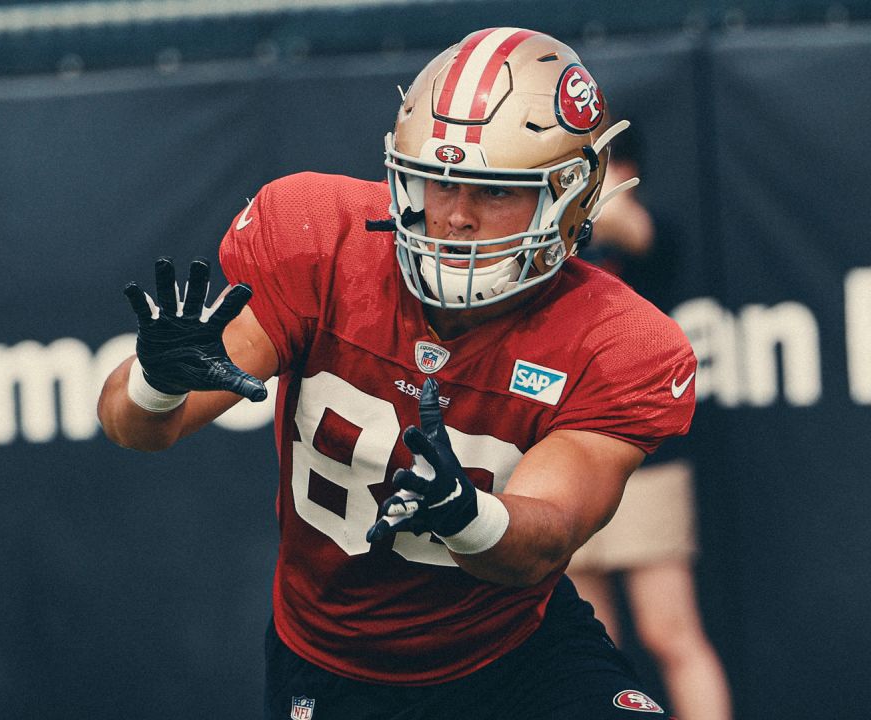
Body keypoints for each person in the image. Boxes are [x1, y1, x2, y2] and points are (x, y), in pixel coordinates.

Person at [98, 27, 696, 719]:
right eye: (436, 179)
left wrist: (466, 516)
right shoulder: (322, 246)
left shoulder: (616, 339)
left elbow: (547, 534)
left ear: (571, 195)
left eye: (492, 191)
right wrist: (154, 381)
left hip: (513, 653)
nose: (456, 216)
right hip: (335, 663)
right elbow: (138, 429)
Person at [568, 135, 734, 720]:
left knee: (670, 634)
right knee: (592, 651)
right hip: (559, 458)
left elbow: (625, 224)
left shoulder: (644, 227)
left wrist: (581, 199)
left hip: (642, 460)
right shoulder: (539, 237)